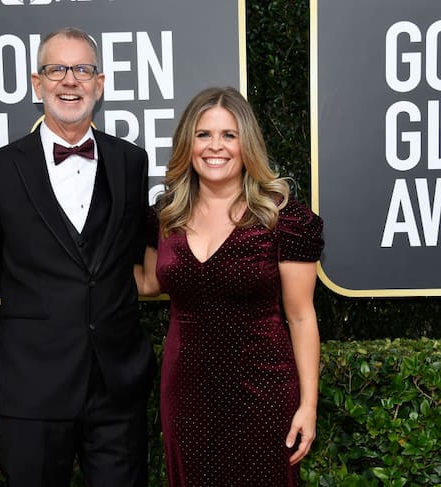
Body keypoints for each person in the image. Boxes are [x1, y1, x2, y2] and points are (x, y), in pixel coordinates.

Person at [0, 27, 157, 487]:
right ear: (36, 83)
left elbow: (148, 246)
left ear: (99, 84)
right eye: (56, 69)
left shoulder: (131, 162)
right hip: (29, 397)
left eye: (82, 69)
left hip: (117, 395)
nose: (70, 80)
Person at [135, 87, 324, 486]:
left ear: (246, 145)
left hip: (263, 391)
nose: (214, 146)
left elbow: (302, 316)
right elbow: (149, 282)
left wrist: (308, 405)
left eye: (228, 135)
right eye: (203, 135)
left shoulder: (281, 219)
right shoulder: (166, 216)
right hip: (186, 394)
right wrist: (69, 266)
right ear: (188, 143)